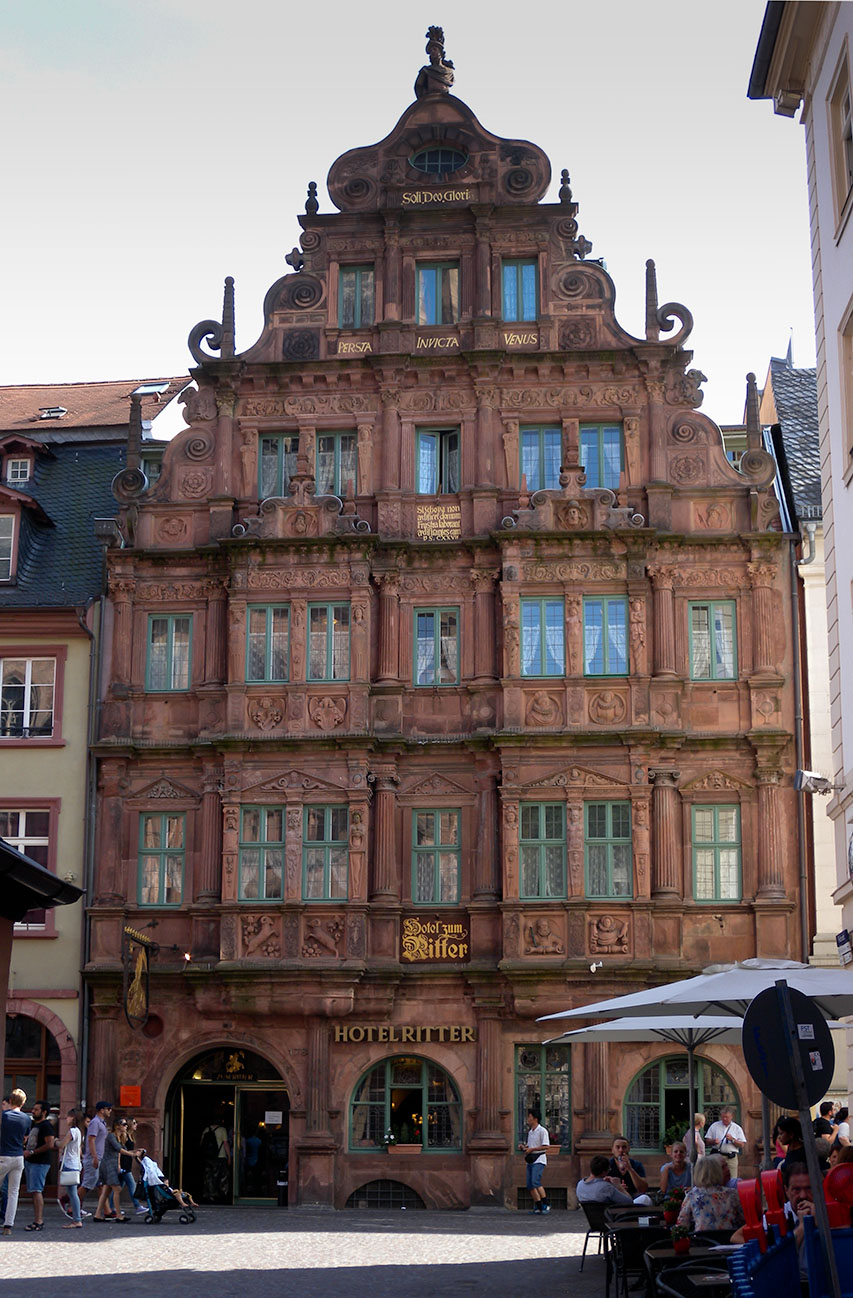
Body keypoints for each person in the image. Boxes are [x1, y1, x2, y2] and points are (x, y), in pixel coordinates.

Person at [676, 1154, 745, 1233]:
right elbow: (743, 1220)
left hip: (703, 1241)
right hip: (728, 1240)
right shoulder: (732, 1194)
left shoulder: (692, 1195)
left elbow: (682, 1225)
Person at [0, 1089, 31, 1236]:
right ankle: (8, 1225)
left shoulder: (3, 1117)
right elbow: (26, 1138)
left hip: (3, 1155)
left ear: (10, 1101)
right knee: (13, 1192)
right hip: (18, 1157)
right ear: (23, 1103)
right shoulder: (26, 1118)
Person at [22, 1099, 55, 1231]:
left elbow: (50, 1144)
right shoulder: (35, 1125)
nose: (33, 1111)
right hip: (31, 1162)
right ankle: (37, 1220)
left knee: (36, 1190)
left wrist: (31, 1152)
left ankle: (38, 1221)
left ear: (44, 1112)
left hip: (40, 1162)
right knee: (33, 1191)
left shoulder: (46, 1126)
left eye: (36, 1110)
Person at [80, 1100, 112, 1216]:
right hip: (94, 1158)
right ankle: (74, 1206)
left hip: (100, 1157)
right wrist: (94, 1157)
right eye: (108, 1109)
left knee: (101, 1185)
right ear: (102, 1110)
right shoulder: (95, 1122)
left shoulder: (101, 1123)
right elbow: (91, 1140)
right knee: (87, 1184)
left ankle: (107, 1210)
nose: (110, 1111)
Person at [56, 1109, 85, 1229]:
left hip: (69, 1163)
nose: (66, 1119)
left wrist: (56, 1141)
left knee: (72, 1193)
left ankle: (77, 1219)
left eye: (68, 1117)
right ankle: (76, 1218)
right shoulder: (79, 1132)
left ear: (73, 1118)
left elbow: (62, 1144)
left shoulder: (72, 1131)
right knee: (73, 1193)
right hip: (75, 1164)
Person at [93, 1117, 127, 1221]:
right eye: (124, 1124)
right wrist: (132, 1154)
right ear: (117, 1126)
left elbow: (122, 1149)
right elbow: (119, 1149)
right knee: (117, 1189)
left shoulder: (118, 1136)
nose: (126, 1126)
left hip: (111, 1165)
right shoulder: (111, 1136)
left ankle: (97, 1215)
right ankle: (118, 1215)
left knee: (106, 1191)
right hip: (108, 1165)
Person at [518, 1107, 551, 1214]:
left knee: (535, 1182)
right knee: (530, 1185)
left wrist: (532, 1149)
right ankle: (538, 1206)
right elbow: (530, 1145)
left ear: (535, 1119)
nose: (528, 1119)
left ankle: (546, 1204)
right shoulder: (531, 1132)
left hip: (539, 1159)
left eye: (529, 1117)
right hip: (531, 1160)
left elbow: (546, 1146)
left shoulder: (542, 1131)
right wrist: (524, 1147)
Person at [704, 1107, 747, 1179]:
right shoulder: (714, 1126)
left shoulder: (737, 1128)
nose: (724, 1119)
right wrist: (713, 1141)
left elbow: (742, 1144)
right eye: (723, 1117)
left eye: (726, 1117)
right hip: (718, 1156)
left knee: (732, 1177)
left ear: (731, 1117)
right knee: (716, 1177)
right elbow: (707, 1141)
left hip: (731, 1157)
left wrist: (732, 1140)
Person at [607, 1135, 650, 1201]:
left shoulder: (637, 1165)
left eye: (624, 1147)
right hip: (614, 1198)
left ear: (628, 1149)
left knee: (645, 1198)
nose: (621, 1150)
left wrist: (630, 1169)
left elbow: (643, 1189)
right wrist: (618, 1188)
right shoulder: (607, 1165)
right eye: (617, 1147)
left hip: (633, 1197)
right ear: (612, 1150)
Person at [200, 1113, 231, 1203]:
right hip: (220, 1156)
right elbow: (225, 1144)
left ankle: (210, 1195)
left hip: (208, 1157)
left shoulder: (206, 1129)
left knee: (209, 1176)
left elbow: (202, 1143)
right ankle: (221, 1194)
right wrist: (229, 1156)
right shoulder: (222, 1130)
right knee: (222, 1176)